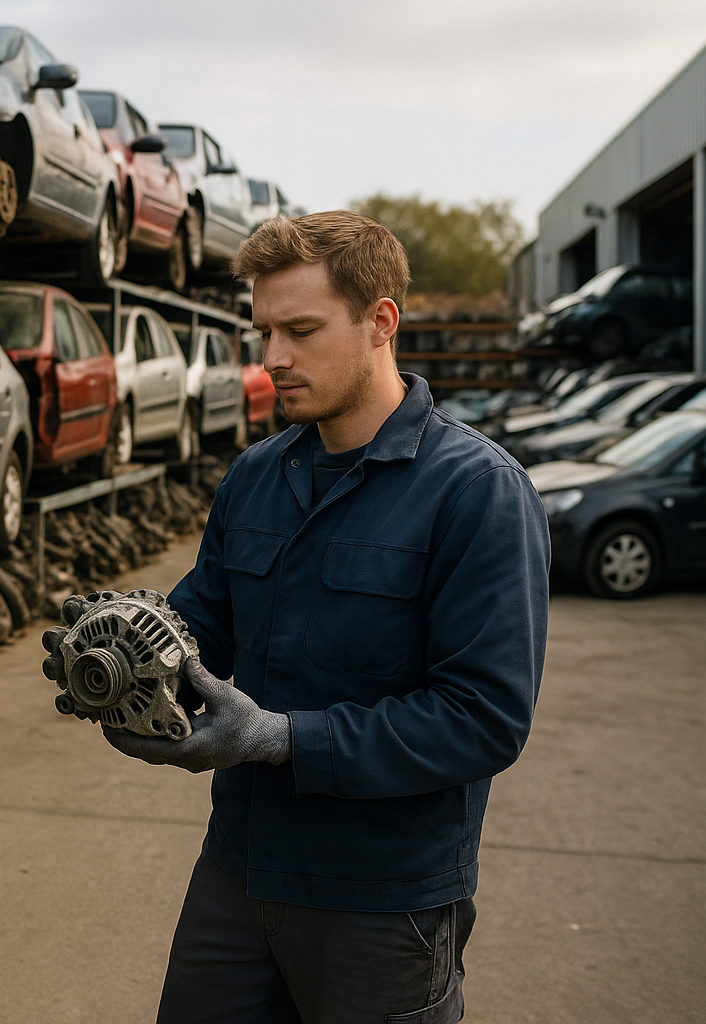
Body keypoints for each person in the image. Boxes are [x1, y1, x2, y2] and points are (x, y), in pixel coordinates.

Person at [103, 210, 550, 1023]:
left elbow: (484, 719)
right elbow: (201, 628)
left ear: (381, 323)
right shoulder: (256, 477)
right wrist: (127, 648)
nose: (273, 358)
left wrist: (282, 739)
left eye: (300, 330)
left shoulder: (477, 493)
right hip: (239, 873)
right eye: (265, 331)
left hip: (383, 904)